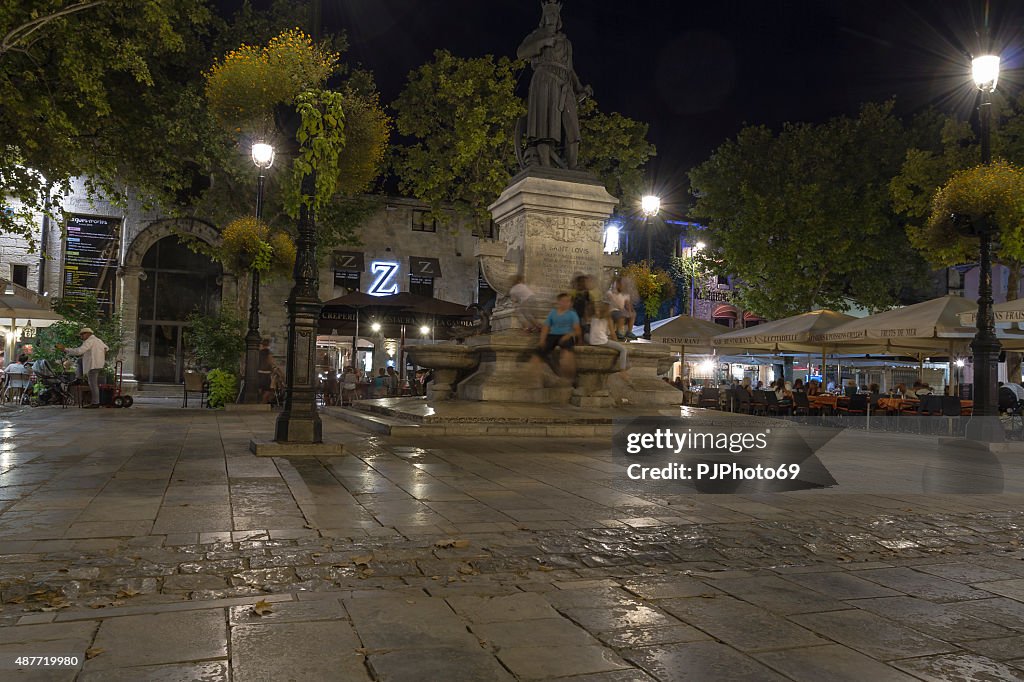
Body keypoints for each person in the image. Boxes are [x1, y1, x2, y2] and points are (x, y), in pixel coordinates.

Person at [57, 328, 108, 408]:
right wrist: (100, 356)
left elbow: (79, 351)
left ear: (87, 334)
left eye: (82, 335)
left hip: (93, 365)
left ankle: (95, 402)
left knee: (93, 384)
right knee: (80, 362)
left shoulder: (89, 341)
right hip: (98, 364)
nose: (81, 337)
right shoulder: (98, 340)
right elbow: (106, 348)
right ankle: (79, 378)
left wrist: (65, 349)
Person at [536, 293, 582, 379]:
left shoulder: (572, 314)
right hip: (553, 335)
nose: (565, 303)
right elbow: (546, 327)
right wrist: (542, 340)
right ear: (559, 302)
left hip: (566, 335)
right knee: (539, 352)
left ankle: (570, 377)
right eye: (563, 301)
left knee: (567, 354)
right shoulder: (553, 312)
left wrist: (569, 335)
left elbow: (577, 329)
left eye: (568, 301)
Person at [587, 304, 628, 371]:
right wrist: (617, 343)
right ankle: (623, 370)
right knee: (623, 349)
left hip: (592, 340)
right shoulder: (608, 318)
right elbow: (612, 333)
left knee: (586, 335)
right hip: (602, 341)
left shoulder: (593, 316)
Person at [607, 277, 638, 341]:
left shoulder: (625, 295)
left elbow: (628, 304)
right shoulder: (611, 293)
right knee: (621, 315)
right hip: (613, 310)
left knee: (633, 314)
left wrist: (630, 311)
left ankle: (629, 331)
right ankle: (619, 331)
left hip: (621, 310)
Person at [256, 340, 277, 404]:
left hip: (259, 373)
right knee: (267, 390)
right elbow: (272, 363)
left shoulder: (258, 353)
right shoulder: (269, 353)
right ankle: (263, 403)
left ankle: (260, 402)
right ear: (268, 345)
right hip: (266, 374)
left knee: (259, 389)